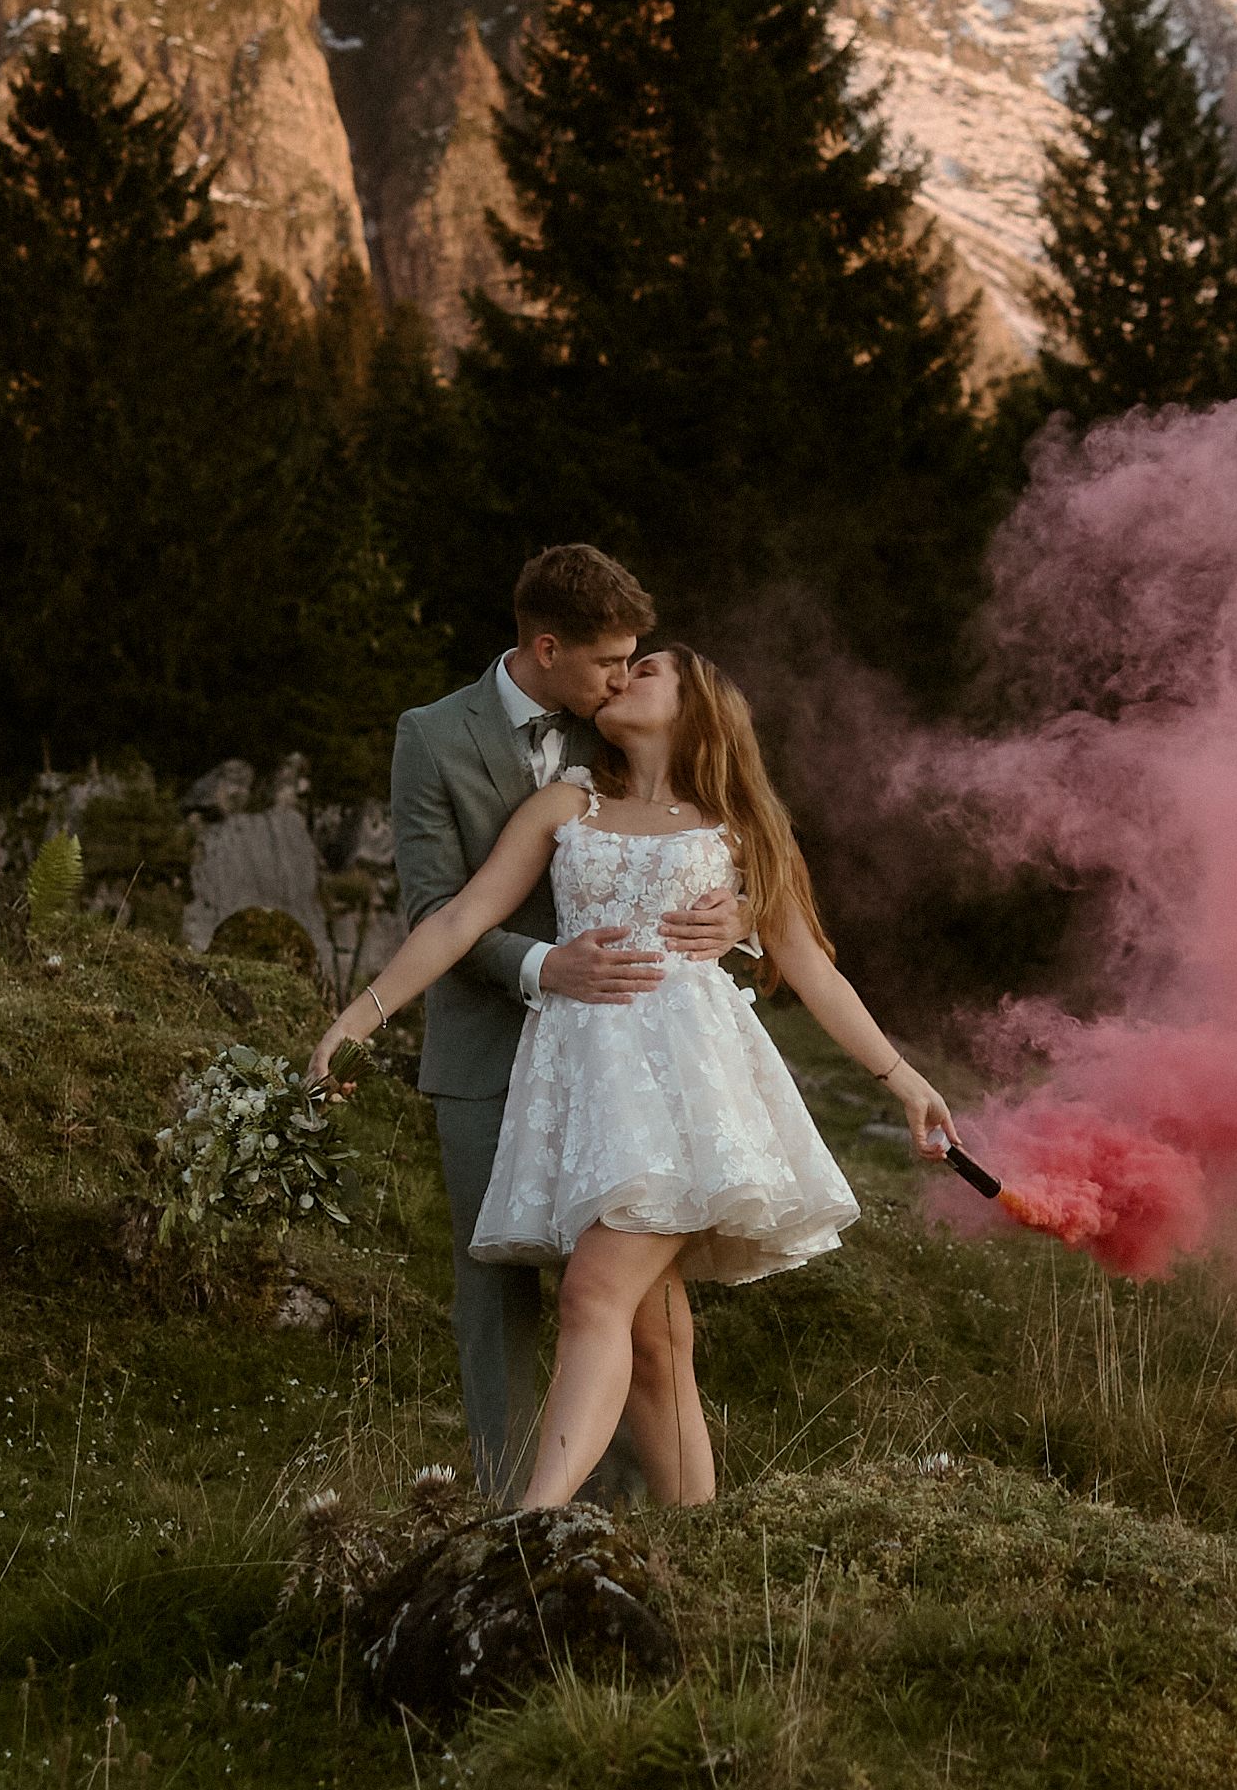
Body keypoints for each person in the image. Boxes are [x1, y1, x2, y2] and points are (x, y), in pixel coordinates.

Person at [320, 638, 955, 1509]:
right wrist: (356, 1020)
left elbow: (812, 968)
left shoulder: (739, 829)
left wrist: (906, 1080)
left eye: (647, 669)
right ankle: (706, 1537)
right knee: (657, 1346)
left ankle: (528, 1522)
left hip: (689, 1094)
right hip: (591, 1093)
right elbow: (462, 915)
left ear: (696, 708)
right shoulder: (566, 801)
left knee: (591, 1292)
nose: (623, 678)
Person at [388, 546, 746, 1502]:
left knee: (634, 1302)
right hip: (486, 1050)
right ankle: (511, 1517)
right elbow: (441, 908)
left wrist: (738, 914)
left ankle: (628, 1511)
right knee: (498, 1291)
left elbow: (705, 835)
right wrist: (545, 966)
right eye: (608, 662)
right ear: (546, 648)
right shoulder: (431, 735)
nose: (624, 678)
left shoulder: (615, 735)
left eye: (637, 663)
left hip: (622, 1056)